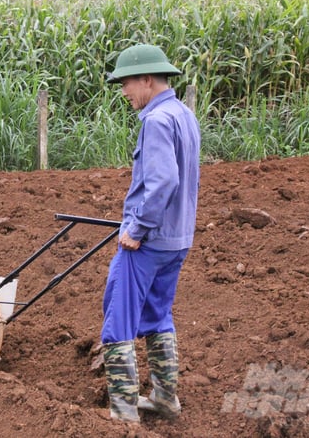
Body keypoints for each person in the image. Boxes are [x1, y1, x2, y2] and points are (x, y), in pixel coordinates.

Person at [101, 44, 200, 423]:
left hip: (150, 240)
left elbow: (163, 180)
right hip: (178, 239)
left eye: (126, 83)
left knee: (118, 319)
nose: (124, 91)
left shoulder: (155, 121)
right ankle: (163, 399)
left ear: (146, 79)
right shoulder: (184, 115)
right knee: (159, 316)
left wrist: (137, 228)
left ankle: (123, 414)